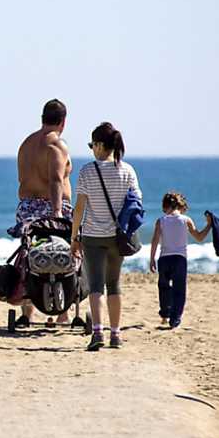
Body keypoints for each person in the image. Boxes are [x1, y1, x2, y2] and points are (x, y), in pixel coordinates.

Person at [69, 122, 142, 351]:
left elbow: (79, 208)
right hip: (117, 237)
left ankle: (98, 332)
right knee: (114, 284)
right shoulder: (127, 171)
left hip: (92, 236)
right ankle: (116, 334)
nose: (92, 149)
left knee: (95, 286)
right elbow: (136, 203)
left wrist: (74, 237)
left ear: (100, 145)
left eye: (92, 145)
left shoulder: (87, 171)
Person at [12, 98, 73, 327]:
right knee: (63, 254)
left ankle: (28, 313)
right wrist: (57, 211)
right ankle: (62, 313)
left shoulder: (26, 143)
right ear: (63, 121)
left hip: (27, 206)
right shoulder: (57, 144)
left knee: (29, 254)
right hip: (51, 206)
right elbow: (56, 179)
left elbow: (22, 177)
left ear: (42, 118)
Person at [149, 192, 212, 329]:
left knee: (163, 287)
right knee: (179, 290)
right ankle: (175, 319)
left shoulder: (161, 221)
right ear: (181, 206)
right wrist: (209, 225)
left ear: (165, 206)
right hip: (179, 259)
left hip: (164, 259)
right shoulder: (186, 220)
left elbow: (155, 240)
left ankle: (165, 312)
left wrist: (152, 259)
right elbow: (199, 237)